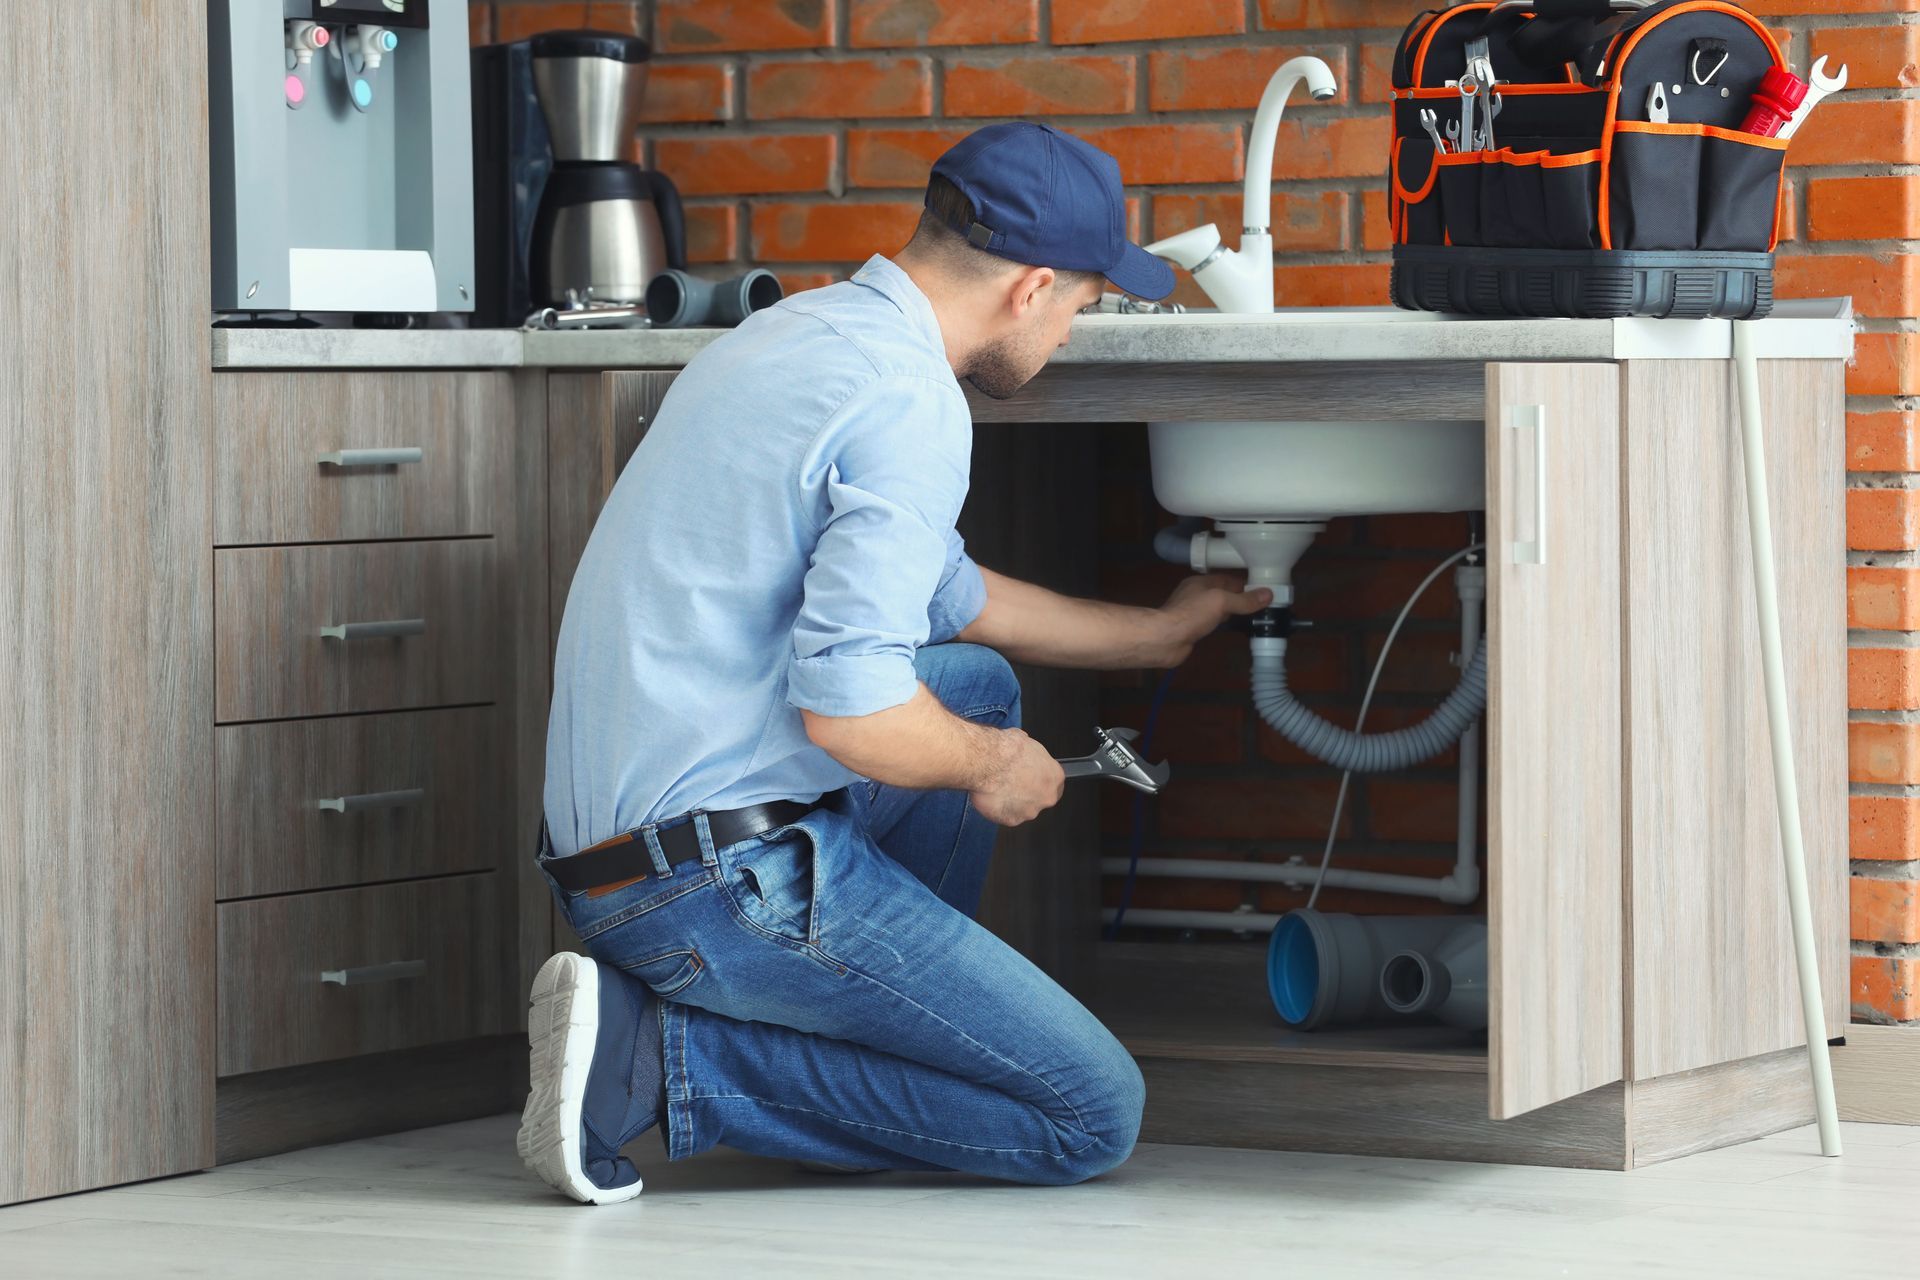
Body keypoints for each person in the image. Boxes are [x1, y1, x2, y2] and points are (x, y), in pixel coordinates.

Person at [519, 121, 1272, 1204]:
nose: (1071, 330)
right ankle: (656, 1058)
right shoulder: (914, 404)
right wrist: (990, 765)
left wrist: (1154, 633)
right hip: (707, 885)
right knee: (1089, 1111)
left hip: (615, 854)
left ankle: (860, 1028)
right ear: (1033, 288)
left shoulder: (807, 335)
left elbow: (950, 596)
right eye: (1083, 305)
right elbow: (854, 715)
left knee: (973, 682)